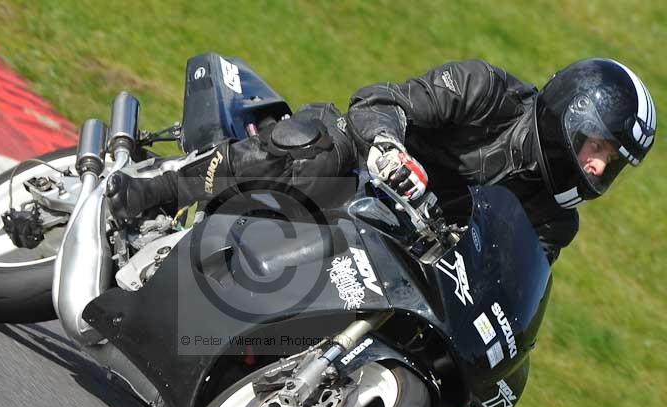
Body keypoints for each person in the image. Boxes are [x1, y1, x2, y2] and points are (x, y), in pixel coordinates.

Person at [106, 58, 656, 263]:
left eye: (613, 163)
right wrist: (389, 148)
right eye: (599, 147)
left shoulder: (555, 222)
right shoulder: (485, 91)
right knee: (314, 147)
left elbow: (508, 284)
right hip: (360, 171)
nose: (598, 168)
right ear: (569, 115)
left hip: (401, 246)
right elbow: (377, 102)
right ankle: (157, 189)